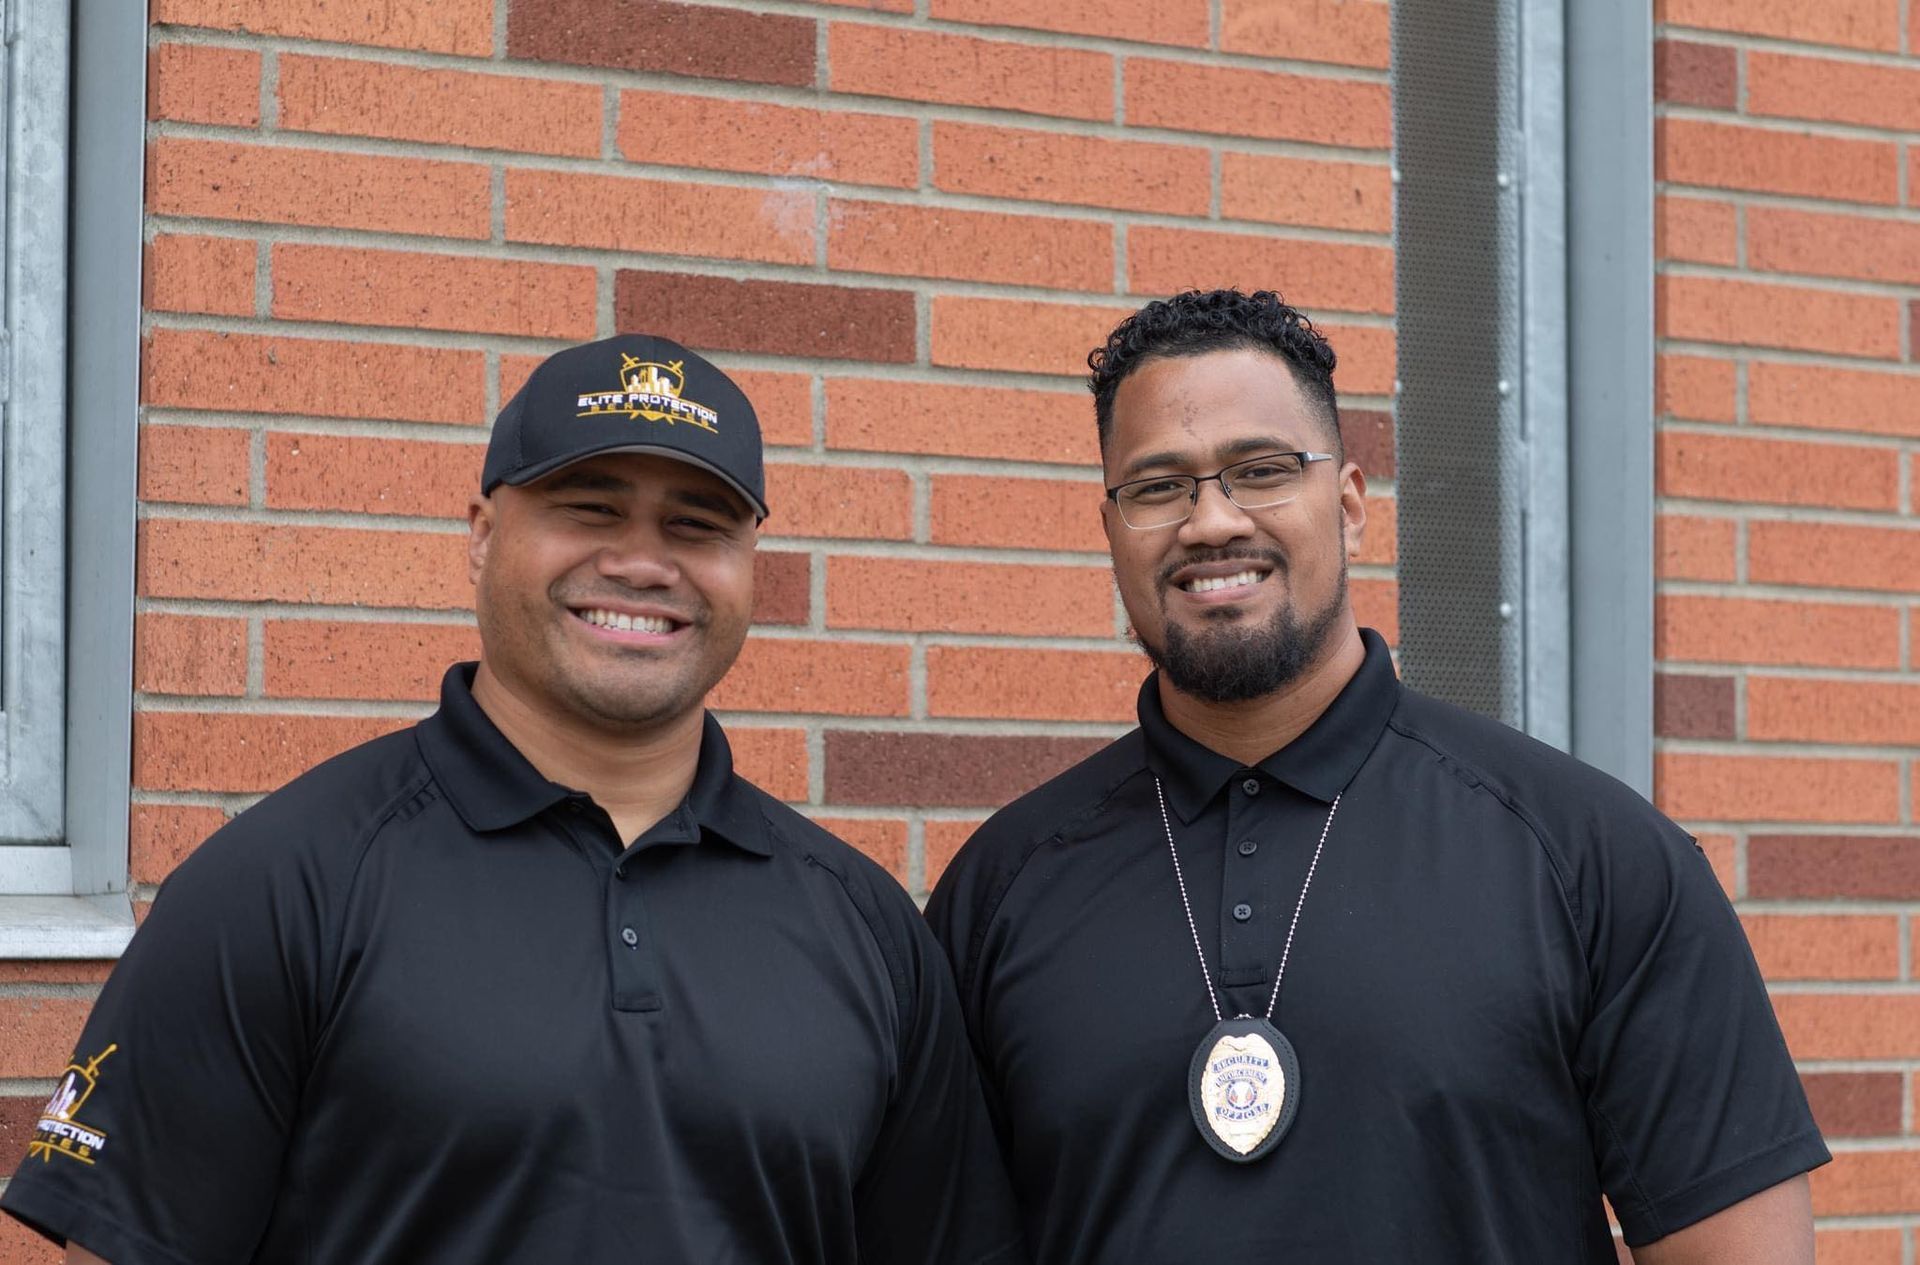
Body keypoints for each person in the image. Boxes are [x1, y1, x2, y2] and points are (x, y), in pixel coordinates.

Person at [5, 334, 1027, 1265]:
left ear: (749, 565)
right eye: (589, 508)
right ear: (484, 532)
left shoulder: (863, 925)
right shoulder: (284, 881)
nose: (640, 560)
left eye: (697, 523)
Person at [926, 289, 1828, 1263]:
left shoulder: (1591, 859)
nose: (1210, 520)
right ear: (1111, 526)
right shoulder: (1001, 892)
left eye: (1262, 470)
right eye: (1157, 486)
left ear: (1350, 503)